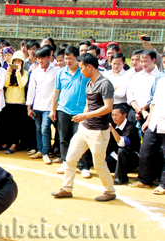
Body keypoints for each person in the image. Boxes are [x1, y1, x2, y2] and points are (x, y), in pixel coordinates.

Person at [51, 53, 116, 202]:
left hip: (99, 131)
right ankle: (66, 189)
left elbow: (108, 107)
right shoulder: (88, 83)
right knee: (70, 159)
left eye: (81, 68)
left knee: (99, 164)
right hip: (84, 129)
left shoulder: (105, 84)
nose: (80, 71)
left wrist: (86, 116)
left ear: (90, 67)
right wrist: (83, 117)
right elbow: (88, 105)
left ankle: (110, 191)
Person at [50, 46, 92, 176]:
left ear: (77, 58)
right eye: (66, 59)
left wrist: (86, 111)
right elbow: (56, 92)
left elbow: (90, 93)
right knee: (64, 138)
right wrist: (53, 109)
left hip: (80, 112)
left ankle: (83, 166)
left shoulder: (84, 73)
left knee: (81, 140)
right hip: (63, 110)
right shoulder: (61, 73)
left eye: (70, 59)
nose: (68, 61)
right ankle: (65, 162)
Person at [131, 76, 165, 195]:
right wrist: (148, 120)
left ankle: (163, 184)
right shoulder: (161, 80)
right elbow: (153, 103)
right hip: (155, 122)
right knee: (146, 151)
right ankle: (145, 180)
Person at [26, 46, 60, 164]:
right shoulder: (35, 71)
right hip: (37, 106)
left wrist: (55, 107)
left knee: (45, 128)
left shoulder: (56, 71)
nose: (40, 61)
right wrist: (29, 106)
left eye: (42, 58)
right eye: (38, 58)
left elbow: (57, 90)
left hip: (49, 107)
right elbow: (31, 90)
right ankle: (40, 150)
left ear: (49, 57)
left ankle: (46, 152)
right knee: (38, 128)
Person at [0, 51, 29, 154]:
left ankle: (14, 145)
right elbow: (6, 84)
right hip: (8, 101)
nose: (16, 63)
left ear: (22, 63)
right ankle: (7, 142)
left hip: (20, 103)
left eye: (19, 61)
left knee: (17, 126)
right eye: (15, 61)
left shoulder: (25, 73)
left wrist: (17, 72)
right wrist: (8, 72)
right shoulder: (9, 72)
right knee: (8, 125)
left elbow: (21, 84)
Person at [105, 105, 140, 184]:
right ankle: (119, 170)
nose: (114, 117)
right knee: (104, 165)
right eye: (113, 115)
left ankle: (121, 178)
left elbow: (122, 143)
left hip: (131, 156)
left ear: (124, 115)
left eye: (116, 115)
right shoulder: (113, 124)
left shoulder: (131, 127)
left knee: (122, 150)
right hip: (117, 155)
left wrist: (113, 131)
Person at [126, 50, 159, 130]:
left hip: (149, 112)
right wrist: (136, 107)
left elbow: (156, 96)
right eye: (141, 61)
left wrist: (143, 108)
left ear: (154, 60)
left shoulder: (158, 77)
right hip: (134, 110)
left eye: (146, 61)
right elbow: (129, 93)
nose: (143, 64)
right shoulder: (136, 76)